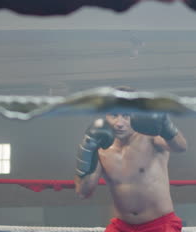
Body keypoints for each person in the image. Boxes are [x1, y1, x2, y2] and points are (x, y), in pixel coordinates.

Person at [74, 89, 188, 232]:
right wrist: (86, 151)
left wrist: (165, 125)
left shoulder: (151, 137)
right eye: (114, 115)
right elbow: (83, 192)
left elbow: (181, 147)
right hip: (121, 226)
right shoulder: (101, 148)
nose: (119, 123)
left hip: (159, 224)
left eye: (126, 116)